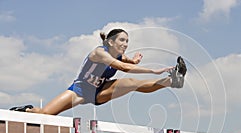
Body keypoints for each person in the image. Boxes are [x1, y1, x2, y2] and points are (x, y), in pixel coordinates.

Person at [10, 29, 186, 115]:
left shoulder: (120, 55)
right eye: (122, 40)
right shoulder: (99, 53)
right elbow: (124, 67)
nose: (125, 44)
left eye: (127, 41)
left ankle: (173, 81)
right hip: (79, 91)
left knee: (133, 84)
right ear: (110, 41)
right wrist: (153, 70)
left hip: (100, 90)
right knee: (45, 115)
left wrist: (134, 60)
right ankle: (27, 110)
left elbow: (128, 62)